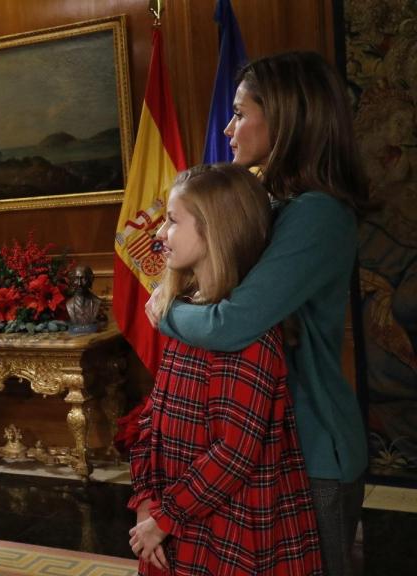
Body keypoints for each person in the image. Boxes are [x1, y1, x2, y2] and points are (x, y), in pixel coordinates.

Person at [146, 51, 370, 576]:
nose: (228, 127)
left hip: (311, 446)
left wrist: (166, 311)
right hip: (260, 442)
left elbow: (231, 323)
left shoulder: (317, 214)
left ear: (288, 118)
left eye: (241, 112)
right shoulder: (276, 201)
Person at [130, 164, 323, 574]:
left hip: (231, 525)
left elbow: (235, 453)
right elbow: (156, 414)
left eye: (172, 220)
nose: (160, 234)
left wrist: (165, 517)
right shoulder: (186, 310)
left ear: (214, 230)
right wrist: (147, 500)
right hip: (176, 513)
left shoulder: (246, 333)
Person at [66, 265, 104, 332]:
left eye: (83, 278)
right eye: (76, 278)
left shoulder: (97, 302)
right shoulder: (69, 305)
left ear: (90, 280)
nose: (79, 283)